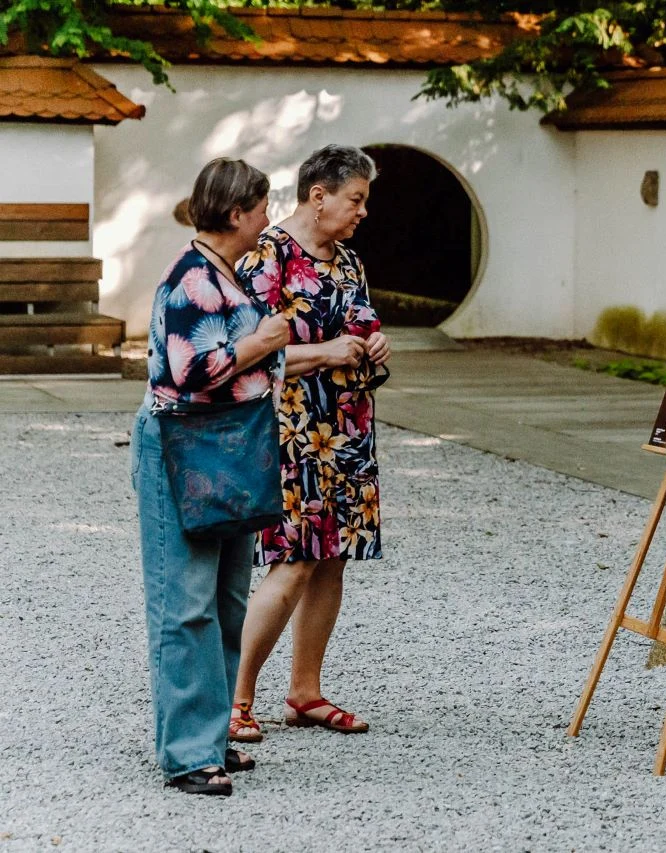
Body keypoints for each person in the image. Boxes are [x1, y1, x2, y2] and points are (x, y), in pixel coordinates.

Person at [131, 158, 292, 795]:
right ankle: (188, 755)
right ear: (233, 214)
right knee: (186, 603)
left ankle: (213, 733)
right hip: (186, 445)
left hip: (228, 444)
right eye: (261, 207)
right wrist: (263, 342)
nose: (267, 217)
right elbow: (189, 370)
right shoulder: (190, 277)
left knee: (225, 599)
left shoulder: (226, 271)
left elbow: (251, 362)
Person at [229, 145, 390, 743]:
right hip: (287, 431)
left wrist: (376, 346)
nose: (363, 212)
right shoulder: (265, 257)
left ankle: (304, 692)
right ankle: (235, 698)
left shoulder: (348, 261)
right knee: (292, 562)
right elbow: (244, 356)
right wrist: (325, 352)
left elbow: (364, 327)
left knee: (331, 558)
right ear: (318, 195)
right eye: (357, 199)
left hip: (346, 428)